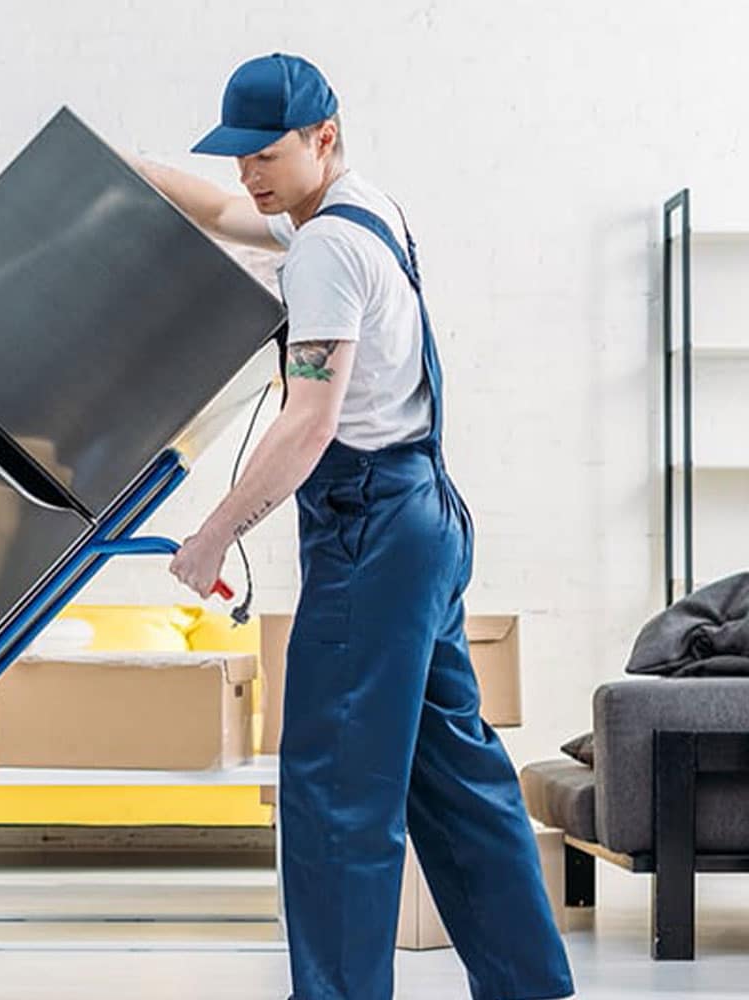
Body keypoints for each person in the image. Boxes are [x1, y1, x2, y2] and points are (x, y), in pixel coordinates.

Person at [138, 52, 575, 1000]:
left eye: (265, 153)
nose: (247, 174)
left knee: (337, 794)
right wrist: (128, 168)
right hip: (424, 516)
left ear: (322, 138)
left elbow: (309, 420)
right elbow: (224, 216)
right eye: (235, 156)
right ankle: (533, 987)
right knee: (458, 784)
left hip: (370, 530)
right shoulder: (361, 208)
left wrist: (216, 532)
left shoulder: (328, 251)